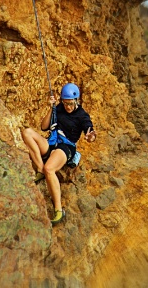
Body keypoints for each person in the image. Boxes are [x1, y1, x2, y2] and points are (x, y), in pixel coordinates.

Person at [21, 83, 96, 225]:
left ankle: (58, 210)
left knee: (50, 169)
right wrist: (52, 108)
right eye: (65, 103)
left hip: (66, 147)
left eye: (71, 104)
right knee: (27, 133)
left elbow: (89, 129)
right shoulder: (59, 108)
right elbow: (44, 127)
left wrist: (91, 135)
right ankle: (39, 168)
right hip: (52, 142)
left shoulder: (82, 115)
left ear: (77, 101)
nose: (68, 107)